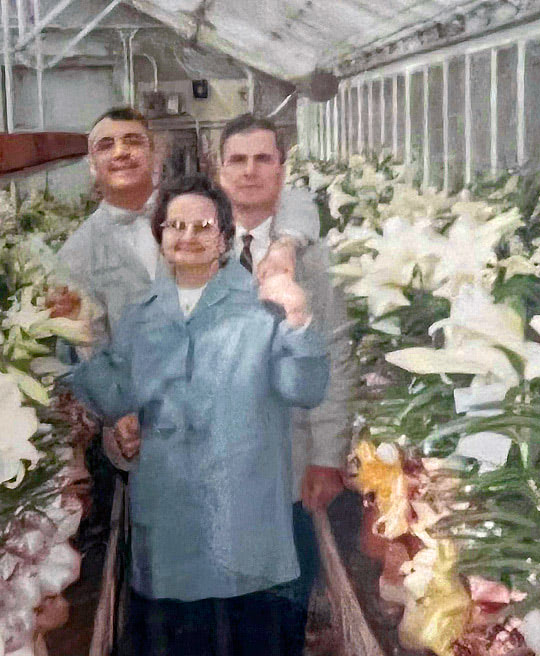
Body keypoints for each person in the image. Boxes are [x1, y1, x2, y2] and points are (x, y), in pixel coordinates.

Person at [67, 174, 329, 656]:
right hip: (169, 517)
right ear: (160, 237)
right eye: (175, 226)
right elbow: (113, 395)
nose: (187, 237)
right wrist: (75, 340)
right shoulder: (142, 315)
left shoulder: (261, 308)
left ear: (225, 238)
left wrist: (298, 321)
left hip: (243, 517)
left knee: (255, 639)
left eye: (202, 226)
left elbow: (306, 388)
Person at [57, 107, 321, 462]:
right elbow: (88, 346)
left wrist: (286, 243)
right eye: (107, 145)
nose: (121, 152)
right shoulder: (75, 253)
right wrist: (119, 415)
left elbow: (294, 199)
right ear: (92, 163)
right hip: (150, 430)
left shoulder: (196, 205)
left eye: (133, 141)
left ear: (155, 154)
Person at [216, 114, 356, 646]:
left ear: (282, 169)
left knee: (280, 611)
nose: (250, 171)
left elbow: (334, 355)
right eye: (238, 159)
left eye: (263, 159)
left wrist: (327, 455)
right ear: (219, 169)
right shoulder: (191, 247)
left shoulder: (313, 261)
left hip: (288, 464)